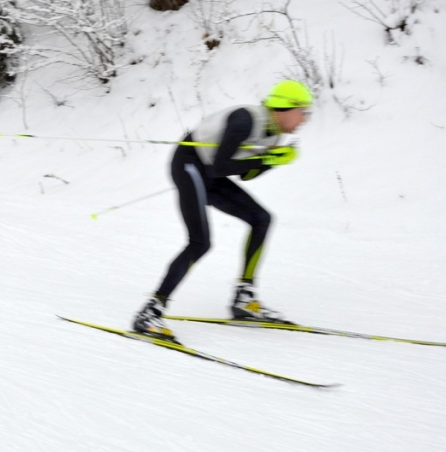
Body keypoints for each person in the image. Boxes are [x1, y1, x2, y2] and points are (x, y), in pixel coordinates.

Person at [131, 80, 314, 341]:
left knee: (261, 219)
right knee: (199, 243)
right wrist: (270, 158)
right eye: (303, 111)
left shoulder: (273, 133)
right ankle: (150, 312)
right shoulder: (246, 120)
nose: (305, 119)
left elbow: (247, 174)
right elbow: (221, 166)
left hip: (210, 173)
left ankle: (244, 299)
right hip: (189, 164)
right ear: (286, 107)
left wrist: (273, 161)